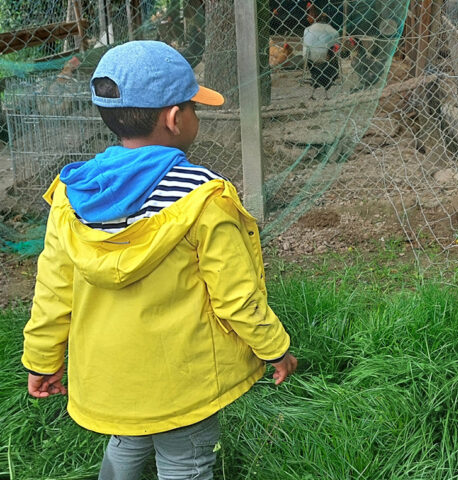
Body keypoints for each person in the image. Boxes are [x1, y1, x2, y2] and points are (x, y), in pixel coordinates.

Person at [21, 40, 298, 480]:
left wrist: (42, 358)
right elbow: (235, 297)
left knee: (127, 441)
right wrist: (274, 348)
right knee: (186, 462)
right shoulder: (203, 196)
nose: (195, 115)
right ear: (175, 119)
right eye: (192, 106)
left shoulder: (72, 197)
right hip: (182, 380)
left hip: (112, 378)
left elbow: (52, 291)